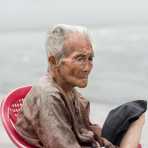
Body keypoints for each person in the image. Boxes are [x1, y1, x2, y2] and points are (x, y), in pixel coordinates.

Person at [16, 24, 145, 148]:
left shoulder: (68, 89)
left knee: (134, 113)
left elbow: (86, 128)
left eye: (90, 58)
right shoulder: (49, 96)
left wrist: (107, 143)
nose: (87, 68)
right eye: (80, 58)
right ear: (53, 61)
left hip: (86, 142)